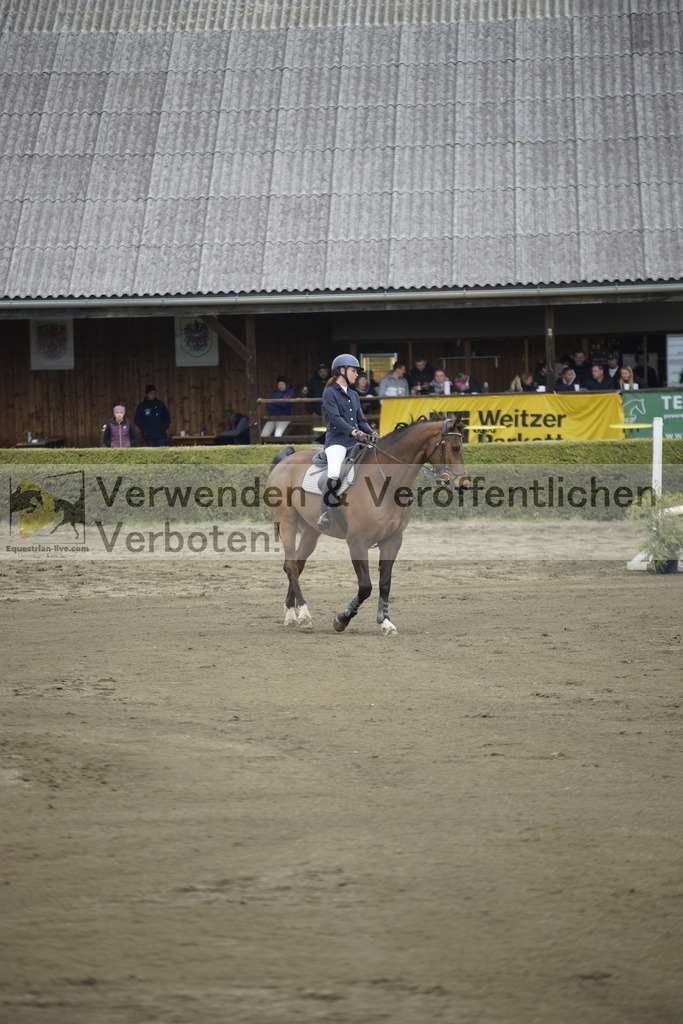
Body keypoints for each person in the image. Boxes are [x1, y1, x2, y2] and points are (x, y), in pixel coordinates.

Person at [319, 354, 377, 529]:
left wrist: (372, 433)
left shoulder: (354, 394)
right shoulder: (329, 393)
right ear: (341, 371)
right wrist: (354, 431)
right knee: (335, 474)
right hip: (337, 442)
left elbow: (361, 419)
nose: (357, 375)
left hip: (355, 441)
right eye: (354, 371)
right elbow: (335, 418)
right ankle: (325, 513)